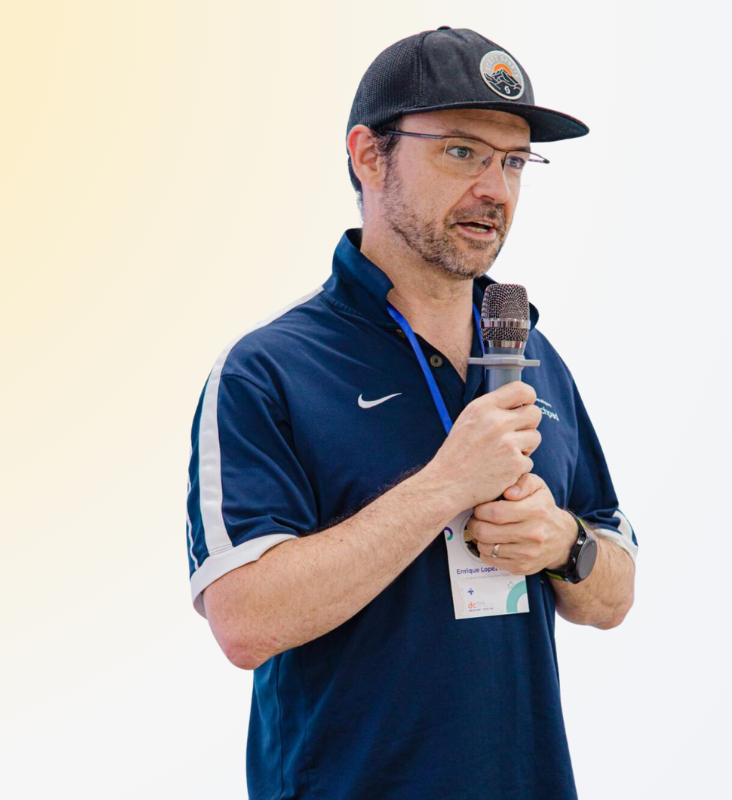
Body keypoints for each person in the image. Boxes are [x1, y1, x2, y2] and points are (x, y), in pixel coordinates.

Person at [186, 26, 638, 800]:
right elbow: (244, 620)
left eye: (514, 161)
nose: (495, 189)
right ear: (368, 155)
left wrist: (564, 543)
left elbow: (617, 590)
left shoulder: (533, 357)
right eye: (462, 152)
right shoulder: (270, 371)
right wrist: (444, 487)